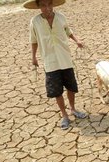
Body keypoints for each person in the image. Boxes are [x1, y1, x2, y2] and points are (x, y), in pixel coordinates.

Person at [25, 0, 87, 130]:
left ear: (52, 4)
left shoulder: (60, 17)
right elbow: (33, 40)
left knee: (71, 87)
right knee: (57, 91)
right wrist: (33, 57)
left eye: (49, 4)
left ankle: (73, 109)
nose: (47, 8)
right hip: (50, 62)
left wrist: (77, 41)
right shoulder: (35, 22)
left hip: (65, 58)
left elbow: (68, 31)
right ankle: (64, 115)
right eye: (43, 5)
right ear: (38, 6)